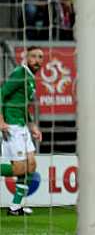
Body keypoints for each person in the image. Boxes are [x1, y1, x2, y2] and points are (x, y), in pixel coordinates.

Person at [0, 47, 43, 216]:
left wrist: (33, 126)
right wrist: (1, 120)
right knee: (19, 169)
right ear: (26, 58)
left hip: (22, 125)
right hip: (12, 125)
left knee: (31, 165)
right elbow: (1, 93)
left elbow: (24, 105)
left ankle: (15, 207)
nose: (37, 60)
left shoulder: (31, 79)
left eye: (40, 57)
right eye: (34, 56)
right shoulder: (19, 72)